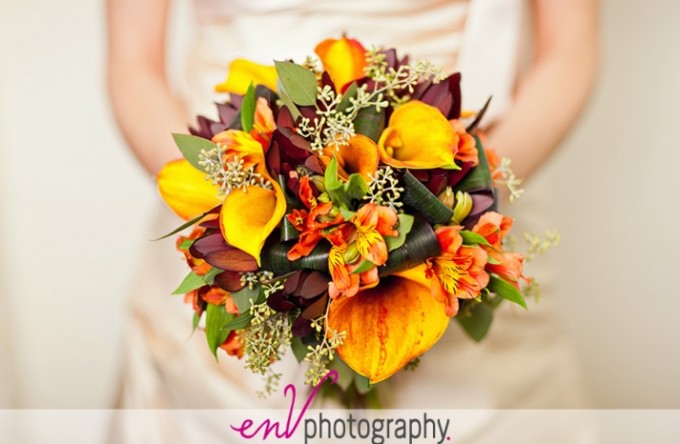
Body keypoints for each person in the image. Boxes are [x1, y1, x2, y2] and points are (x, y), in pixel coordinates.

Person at [106, 0, 598, 441]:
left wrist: (444, 208)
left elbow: (569, 50)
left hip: (467, 189)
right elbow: (133, 65)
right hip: (234, 203)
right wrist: (239, 216)